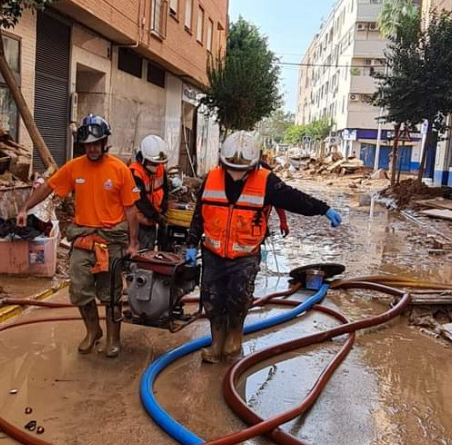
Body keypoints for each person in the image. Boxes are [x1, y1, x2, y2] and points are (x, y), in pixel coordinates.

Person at [184, 131, 342, 363]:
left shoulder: (266, 181)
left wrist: (323, 208)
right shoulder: (211, 179)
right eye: (231, 168)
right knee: (212, 300)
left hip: (245, 256)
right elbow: (199, 214)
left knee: (238, 298)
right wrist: (191, 243)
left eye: (243, 170)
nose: (236, 174)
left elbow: (294, 198)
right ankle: (216, 343)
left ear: (254, 164)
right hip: (213, 254)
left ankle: (234, 338)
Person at [17, 114, 140, 357]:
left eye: (97, 143)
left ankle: (114, 339)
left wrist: (133, 243)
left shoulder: (120, 170)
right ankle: (93, 331)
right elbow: (48, 187)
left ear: (105, 143)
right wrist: (25, 207)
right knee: (80, 290)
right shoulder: (75, 167)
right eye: (88, 144)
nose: (92, 148)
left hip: (111, 241)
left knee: (111, 295)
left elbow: (131, 209)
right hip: (83, 239)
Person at [130, 135, 171, 250]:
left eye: (157, 163)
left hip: (154, 218)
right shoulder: (135, 173)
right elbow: (139, 199)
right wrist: (155, 215)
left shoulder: (160, 168)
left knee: (153, 251)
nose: (155, 166)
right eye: (152, 163)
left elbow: (165, 189)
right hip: (139, 220)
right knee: (141, 252)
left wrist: (163, 207)